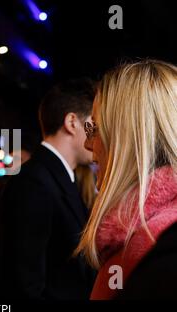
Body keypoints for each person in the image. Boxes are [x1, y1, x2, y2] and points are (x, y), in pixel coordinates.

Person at [75, 59, 177, 299]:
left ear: (129, 138)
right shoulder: (146, 232)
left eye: (95, 129)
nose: (88, 144)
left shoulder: (150, 242)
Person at [0, 78, 96, 299]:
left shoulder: (58, 177)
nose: (99, 134)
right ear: (72, 122)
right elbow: (24, 287)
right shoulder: (33, 183)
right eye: (94, 124)